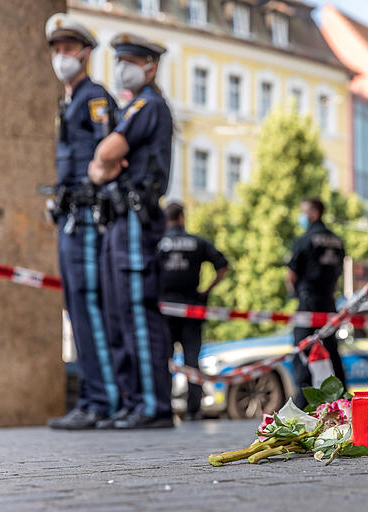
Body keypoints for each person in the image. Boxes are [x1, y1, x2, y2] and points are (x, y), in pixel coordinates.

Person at [88, 33, 174, 429]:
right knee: (118, 314)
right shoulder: (131, 108)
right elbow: (101, 163)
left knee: (139, 314)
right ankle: (132, 401)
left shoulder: (148, 105)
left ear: (150, 66)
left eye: (130, 61)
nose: (122, 68)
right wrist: (104, 163)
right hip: (120, 222)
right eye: (120, 60)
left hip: (138, 223)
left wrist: (106, 160)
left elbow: (105, 155)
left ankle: (154, 405)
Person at [44, 14, 120, 430]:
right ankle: (93, 397)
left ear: (86, 52)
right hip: (71, 216)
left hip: (88, 217)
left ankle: (102, 400)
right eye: (56, 50)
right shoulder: (70, 101)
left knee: (90, 305)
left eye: (68, 49)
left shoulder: (94, 97)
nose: (61, 57)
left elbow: (107, 155)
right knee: (77, 306)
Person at [158, 202, 229, 420]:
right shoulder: (197, 242)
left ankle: (163, 408)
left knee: (163, 360)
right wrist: (205, 291)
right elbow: (223, 266)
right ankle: (193, 410)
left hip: (164, 310)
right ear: (181, 218)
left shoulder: (157, 243)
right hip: (192, 308)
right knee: (192, 359)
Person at [286, 198, 346, 407]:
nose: (302, 217)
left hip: (307, 305)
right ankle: (340, 401)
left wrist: (293, 293)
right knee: (331, 353)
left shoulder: (304, 240)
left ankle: (303, 404)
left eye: (304, 212)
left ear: (314, 213)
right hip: (329, 305)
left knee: (302, 351)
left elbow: (291, 275)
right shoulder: (337, 240)